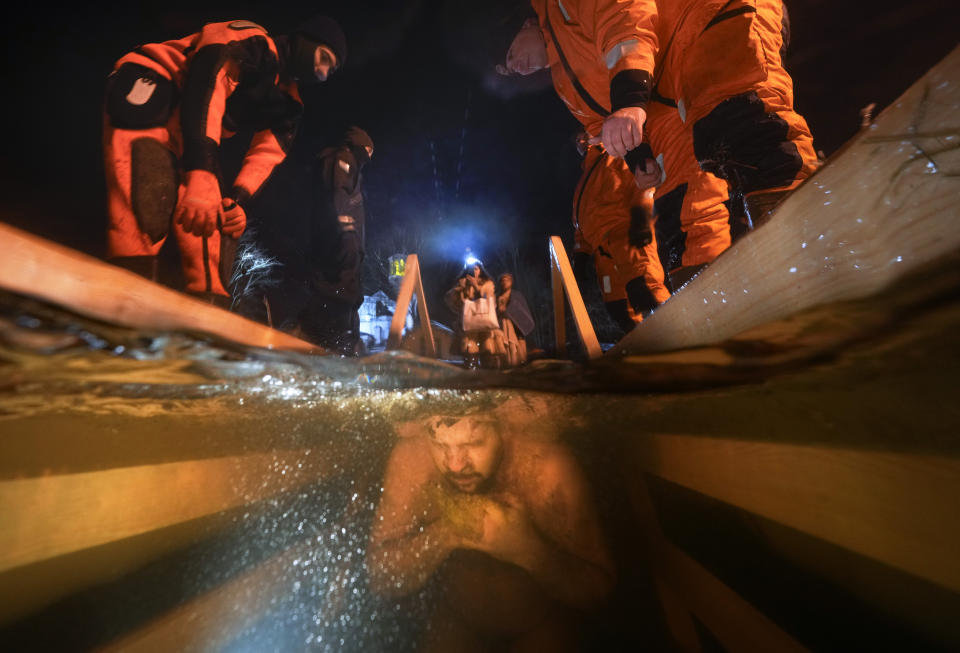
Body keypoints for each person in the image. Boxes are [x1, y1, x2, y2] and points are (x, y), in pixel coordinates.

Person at [504, 1, 819, 288]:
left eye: (508, 54)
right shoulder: (565, 82)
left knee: (734, 112)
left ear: (526, 25)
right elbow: (601, 122)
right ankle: (706, 292)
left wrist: (629, 97)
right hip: (665, 86)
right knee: (679, 197)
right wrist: (639, 156)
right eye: (506, 70)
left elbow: (623, 13)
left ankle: (809, 239)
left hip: (706, 12)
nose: (514, 68)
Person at [102, 15, 347, 305]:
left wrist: (238, 201)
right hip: (153, 81)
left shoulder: (288, 103)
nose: (322, 72)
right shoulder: (251, 41)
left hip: (192, 131)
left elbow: (268, 154)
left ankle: (207, 304)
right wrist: (201, 172)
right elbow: (207, 83)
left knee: (215, 221)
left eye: (330, 69)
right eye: (324, 58)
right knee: (149, 192)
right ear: (305, 40)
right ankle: (127, 291)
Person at [366, 408, 614, 652]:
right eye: (440, 446)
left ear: (504, 429)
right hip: (456, 618)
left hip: (541, 622)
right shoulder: (413, 460)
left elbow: (598, 593)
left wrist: (528, 551)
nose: (455, 465)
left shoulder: (545, 465)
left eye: (474, 443)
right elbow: (380, 579)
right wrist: (447, 533)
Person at [295, 126, 374, 354]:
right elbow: (338, 194)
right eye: (369, 150)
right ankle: (328, 344)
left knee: (341, 295)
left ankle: (330, 341)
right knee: (338, 294)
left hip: (341, 247)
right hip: (340, 246)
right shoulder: (343, 158)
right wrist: (348, 231)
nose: (370, 156)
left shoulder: (347, 163)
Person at [444, 261, 505, 369]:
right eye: (471, 269)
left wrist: (475, 286)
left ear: (481, 270)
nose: (474, 271)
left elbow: (489, 300)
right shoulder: (462, 283)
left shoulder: (488, 283)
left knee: (487, 347)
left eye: (476, 268)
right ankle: (472, 373)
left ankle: (488, 372)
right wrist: (461, 289)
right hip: (469, 323)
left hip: (485, 322)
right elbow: (452, 301)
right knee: (469, 349)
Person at [495, 273, 535, 366]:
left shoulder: (517, 296)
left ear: (511, 282)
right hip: (503, 326)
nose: (505, 282)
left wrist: (510, 312)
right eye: (503, 280)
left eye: (507, 280)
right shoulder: (497, 297)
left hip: (517, 329)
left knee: (520, 355)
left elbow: (523, 312)